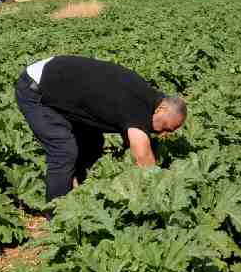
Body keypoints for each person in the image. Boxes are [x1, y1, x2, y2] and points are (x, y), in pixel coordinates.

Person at [15, 55, 186, 202]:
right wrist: (157, 194)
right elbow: (143, 157)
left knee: (93, 143)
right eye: (166, 128)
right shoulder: (137, 109)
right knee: (63, 151)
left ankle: (76, 189)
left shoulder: (147, 98)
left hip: (63, 86)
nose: (164, 134)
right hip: (36, 89)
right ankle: (56, 215)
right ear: (161, 108)